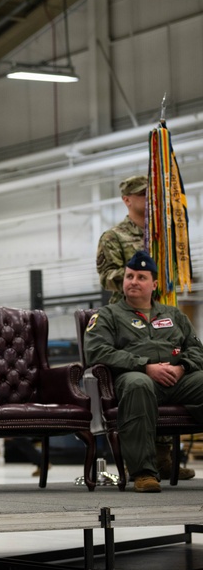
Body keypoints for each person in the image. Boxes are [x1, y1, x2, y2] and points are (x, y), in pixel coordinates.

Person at [95, 174, 195, 480]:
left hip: (162, 311)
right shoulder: (114, 237)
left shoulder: (163, 235)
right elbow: (105, 275)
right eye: (141, 195)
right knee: (140, 384)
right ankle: (140, 463)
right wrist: (139, 278)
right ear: (127, 199)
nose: (148, 199)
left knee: (170, 371)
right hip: (128, 319)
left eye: (150, 194)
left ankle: (164, 459)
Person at [83, 251, 203, 493]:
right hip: (134, 378)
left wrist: (182, 368)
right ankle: (144, 472)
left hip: (178, 379)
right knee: (139, 384)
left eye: (141, 277)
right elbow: (96, 352)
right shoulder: (108, 315)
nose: (133, 281)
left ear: (154, 284)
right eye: (129, 276)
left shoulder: (174, 315)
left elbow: (196, 350)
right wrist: (145, 365)